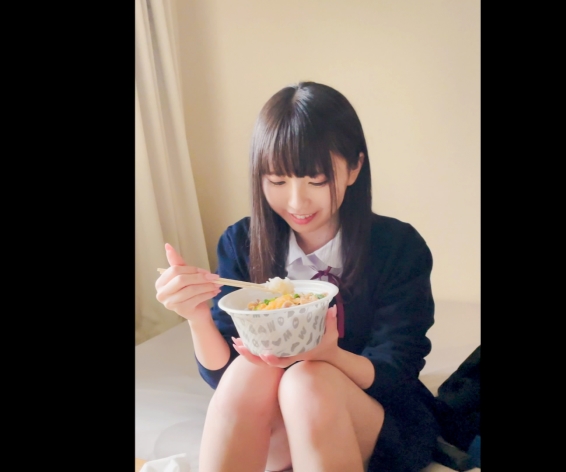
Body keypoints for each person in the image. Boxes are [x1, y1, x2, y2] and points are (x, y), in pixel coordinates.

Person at [155, 82, 439, 472]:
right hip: (279, 427)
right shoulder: (241, 242)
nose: (296, 202)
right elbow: (224, 376)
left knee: (306, 381)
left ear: (354, 167)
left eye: (316, 181)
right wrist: (197, 317)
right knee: (250, 372)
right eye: (277, 181)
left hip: (377, 420)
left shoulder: (397, 246)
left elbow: (397, 371)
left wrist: (328, 356)